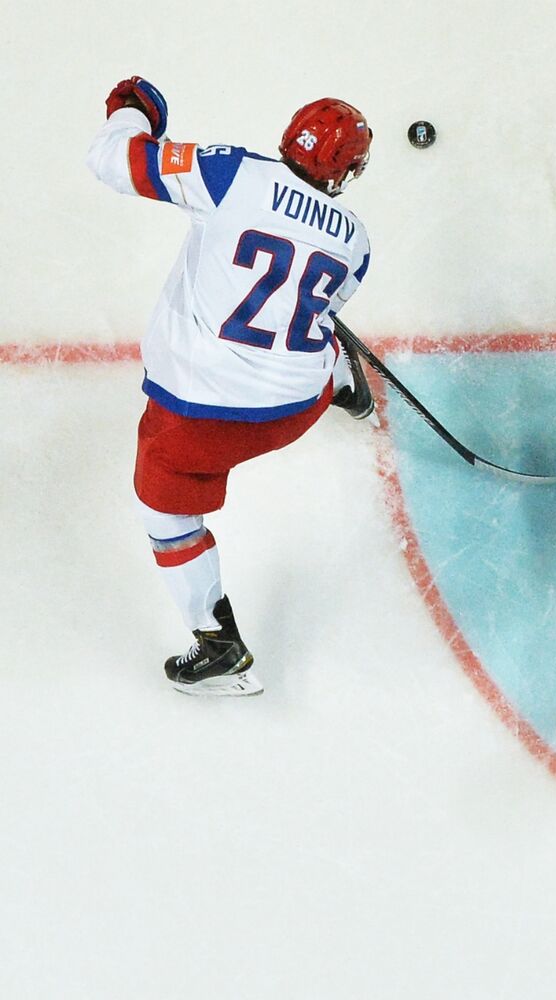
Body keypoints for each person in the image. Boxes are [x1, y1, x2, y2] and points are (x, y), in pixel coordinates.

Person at [86, 77, 375, 696]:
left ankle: (219, 647)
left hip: (202, 417)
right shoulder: (356, 240)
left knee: (165, 512)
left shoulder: (230, 173)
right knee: (315, 341)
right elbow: (325, 305)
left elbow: (112, 160)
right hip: (293, 408)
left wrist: (134, 112)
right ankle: (341, 381)